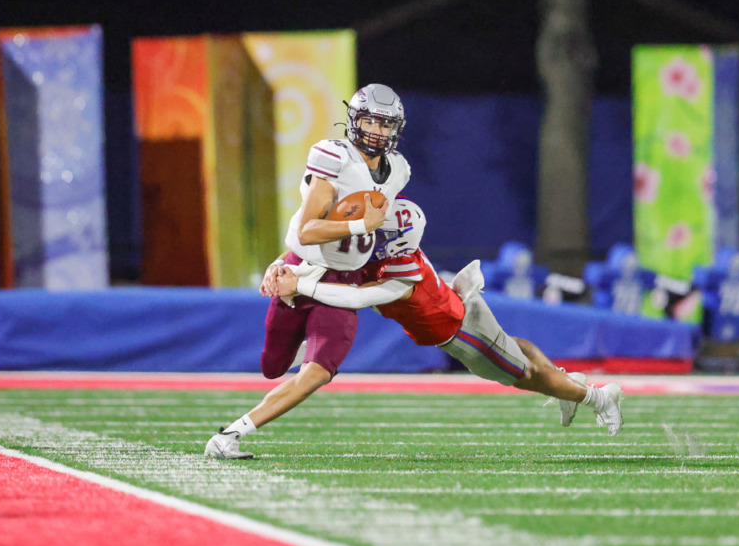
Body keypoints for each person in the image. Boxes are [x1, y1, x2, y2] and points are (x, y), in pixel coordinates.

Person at [276, 197, 624, 442]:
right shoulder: (389, 252)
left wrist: (303, 283)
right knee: (514, 347)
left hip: (461, 334)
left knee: (525, 375)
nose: (370, 234)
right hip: (460, 306)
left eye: (380, 232)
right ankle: (566, 384)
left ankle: (597, 397)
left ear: (394, 242)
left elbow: (355, 297)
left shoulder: (400, 272)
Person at [205, 83, 411, 460]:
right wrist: (357, 227)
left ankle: (230, 434)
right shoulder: (333, 156)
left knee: (318, 371)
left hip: (344, 281)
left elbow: (381, 226)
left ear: (396, 129)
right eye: (369, 121)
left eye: (385, 125)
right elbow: (308, 230)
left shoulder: (398, 169)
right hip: (300, 273)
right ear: (353, 120)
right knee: (272, 366)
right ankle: (307, 337)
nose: (376, 132)